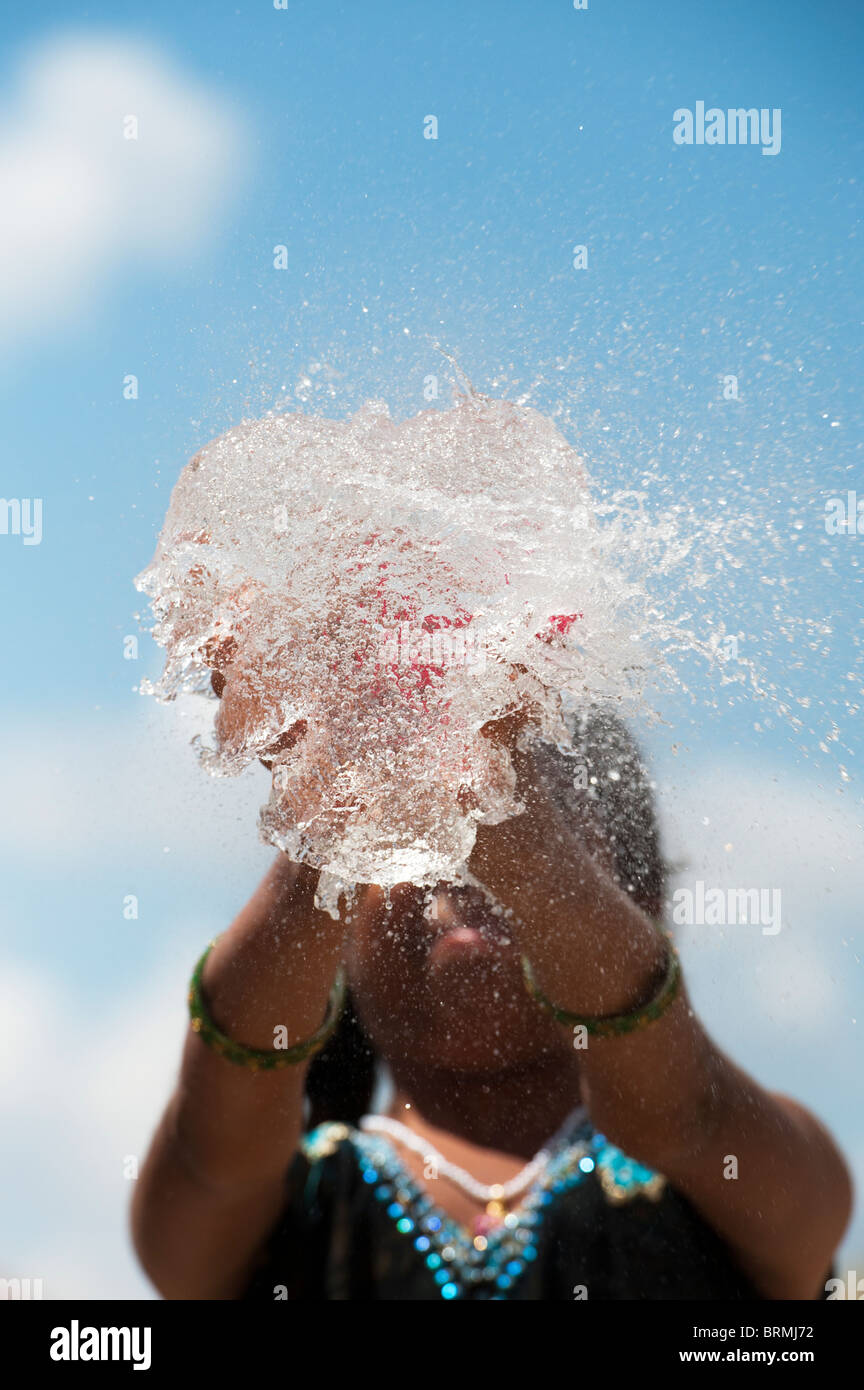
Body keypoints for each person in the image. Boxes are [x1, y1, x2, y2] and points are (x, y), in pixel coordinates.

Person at [130, 706, 852, 1300]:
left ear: (642, 908)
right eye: (413, 841)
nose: (467, 856)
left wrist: (529, 855)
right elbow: (213, 1142)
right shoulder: (275, 1199)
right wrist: (328, 812)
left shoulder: (739, 1164)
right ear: (339, 923)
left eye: (543, 812)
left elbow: (682, 1113)